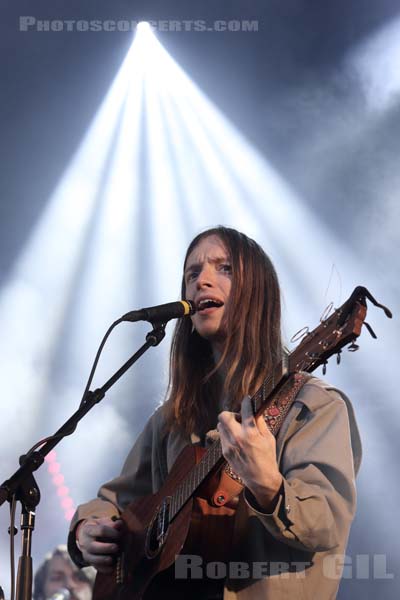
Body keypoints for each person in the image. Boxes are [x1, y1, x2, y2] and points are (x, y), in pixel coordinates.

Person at [68, 226, 361, 599]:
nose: (202, 281)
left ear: (258, 293)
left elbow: (328, 524)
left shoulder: (313, 406)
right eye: (192, 274)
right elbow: (115, 501)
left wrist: (268, 485)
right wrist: (88, 530)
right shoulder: (171, 420)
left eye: (224, 269)